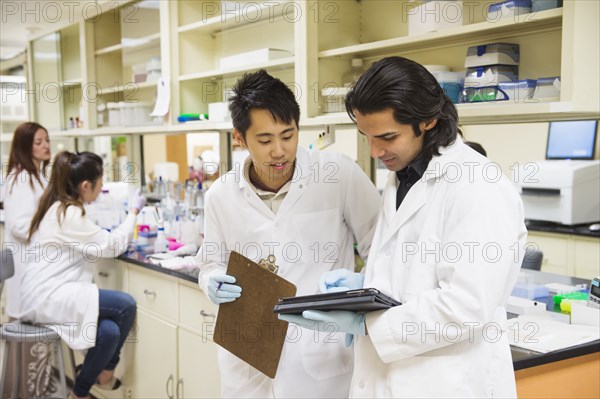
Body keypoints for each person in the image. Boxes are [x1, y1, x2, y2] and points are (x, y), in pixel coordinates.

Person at [281, 56, 527, 398]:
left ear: (427, 120)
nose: (375, 150)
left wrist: (367, 321)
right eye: (366, 136)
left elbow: (466, 307)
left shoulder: (479, 186)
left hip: (446, 384)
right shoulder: (404, 176)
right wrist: (365, 287)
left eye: (387, 137)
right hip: (386, 379)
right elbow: (409, 274)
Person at [196, 70, 381, 398]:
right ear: (240, 137)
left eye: (288, 134)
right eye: (265, 140)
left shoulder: (337, 174)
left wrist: (364, 286)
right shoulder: (220, 195)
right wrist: (211, 280)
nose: (279, 150)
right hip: (246, 351)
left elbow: (382, 246)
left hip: (320, 352)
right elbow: (210, 263)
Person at [17, 151, 147, 399]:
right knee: (125, 305)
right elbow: (111, 245)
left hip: (49, 291)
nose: (101, 188)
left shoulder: (60, 207)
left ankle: (79, 392)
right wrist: (133, 213)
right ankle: (103, 375)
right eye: (100, 183)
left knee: (109, 332)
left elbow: (96, 240)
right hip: (50, 295)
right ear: (86, 186)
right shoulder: (69, 213)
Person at [1, 122, 53, 398]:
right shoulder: (21, 179)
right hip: (28, 268)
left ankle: (32, 391)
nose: (46, 145)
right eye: (38, 141)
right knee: (29, 342)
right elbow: (21, 225)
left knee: (36, 347)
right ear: (24, 147)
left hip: (37, 268)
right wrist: (51, 232)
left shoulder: (37, 176)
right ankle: (25, 392)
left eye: (46, 139)